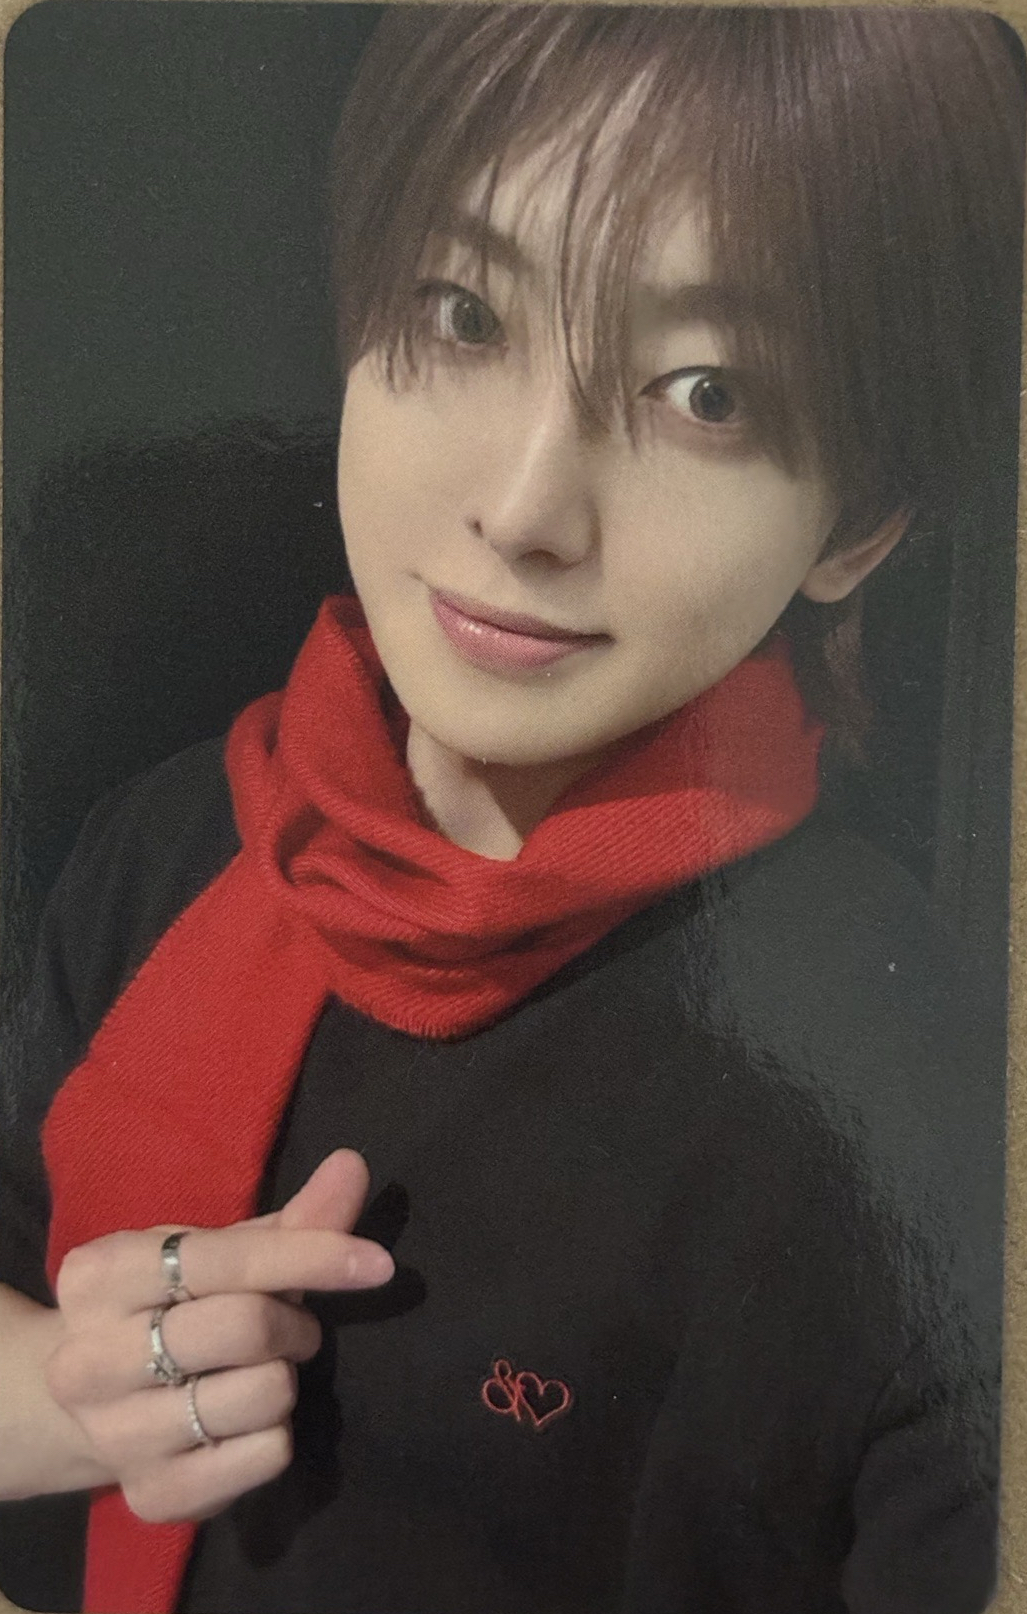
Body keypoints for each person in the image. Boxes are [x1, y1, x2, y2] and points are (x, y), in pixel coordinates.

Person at [0, 6, 1021, 1613]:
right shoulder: (169, 845)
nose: (527, 506)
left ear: (861, 523)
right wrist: (62, 1399)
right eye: (464, 312)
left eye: (705, 392)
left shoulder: (922, 1097)